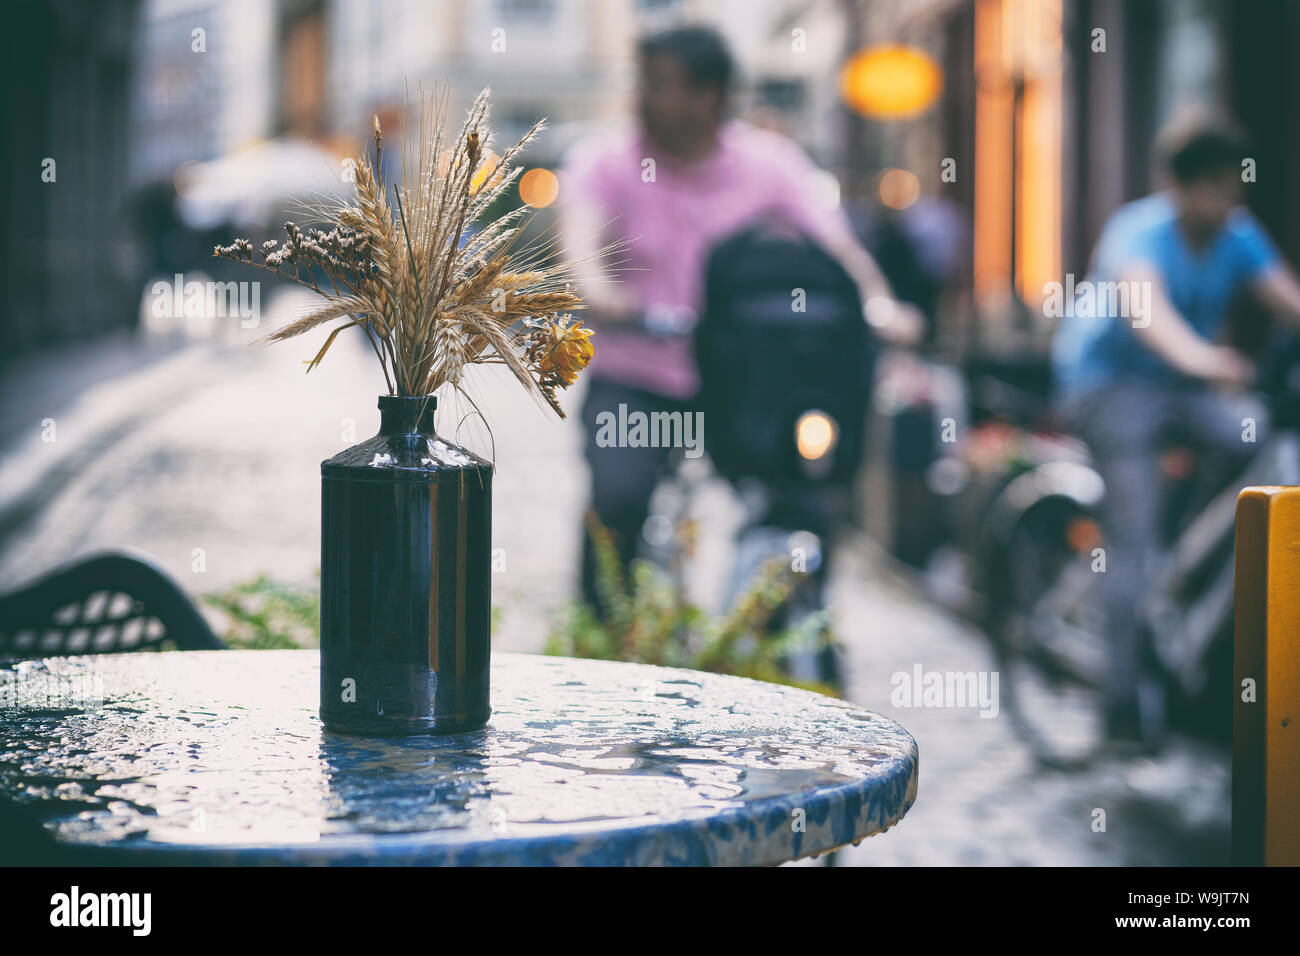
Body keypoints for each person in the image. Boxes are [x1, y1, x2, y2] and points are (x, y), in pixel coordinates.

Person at [560, 25, 917, 609]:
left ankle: (785, 631)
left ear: (709, 96)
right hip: (641, 376)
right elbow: (580, 249)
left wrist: (877, 304)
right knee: (619, 500)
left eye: (659, 84)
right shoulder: (604, 162)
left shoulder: (771, 166)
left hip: (742, 378)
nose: (642, 96)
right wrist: (600, 293)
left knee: (801, 489)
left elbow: (837, 249)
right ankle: (599, 638)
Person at [1051, 112, 1300, 747]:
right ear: (1177, 186)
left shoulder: (1237, 234)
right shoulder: (1138, 232)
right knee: (1133, 538)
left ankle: (1193, 564)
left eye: (1229, 185)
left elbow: (1285, 295)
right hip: (1110, 387)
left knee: (1259, 438)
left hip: (1185, 391)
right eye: (1210, 186)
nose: (1223, 200)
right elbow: (1145, 311)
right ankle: (1122, 707)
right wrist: (1204, 359)